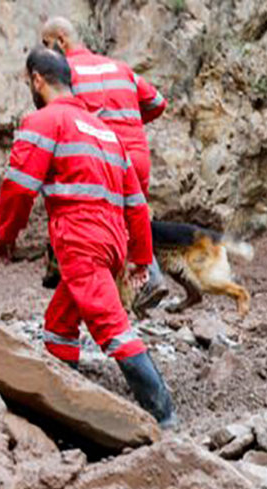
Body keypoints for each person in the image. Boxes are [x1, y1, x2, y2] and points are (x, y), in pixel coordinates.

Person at [0, 45, 177, 429]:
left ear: (37, 80)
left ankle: (164, 414)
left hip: (79, 240)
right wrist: (139, 258)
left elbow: (19, 187)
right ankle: (64, 398)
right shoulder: (106, 133)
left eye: (29, 82)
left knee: (112, 328)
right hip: (111, 241)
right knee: (59, 320)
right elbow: (137, 206)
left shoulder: (44, 122)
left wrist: (5, 235)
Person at [41, 16, 170, 314]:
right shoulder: (120, 68)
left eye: (47, 46)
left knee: (102, 227)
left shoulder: (65, 75)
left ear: (61, 40)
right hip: (137, 157)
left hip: (104, 159)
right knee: (132, 218)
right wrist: (132, 122)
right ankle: (146, 280)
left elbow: (60, 118)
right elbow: (159, 103)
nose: (46, 54)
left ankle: (114, 304)